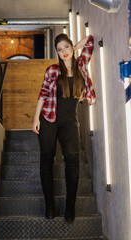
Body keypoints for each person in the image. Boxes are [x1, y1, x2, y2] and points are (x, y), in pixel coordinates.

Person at [32, 33, 96, 223]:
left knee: (73, 161)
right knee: (46, 160)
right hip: (48, 120)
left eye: (66, 47)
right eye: (59, 50)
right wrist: (35, 118)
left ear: (71, 46)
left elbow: (90, 40)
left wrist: (75, 47)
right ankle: (50, 205)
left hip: (69, 122)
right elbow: (42, 94)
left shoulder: (81, 65)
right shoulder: (52, 70)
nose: (64, 52)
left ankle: (70, 207)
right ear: (57, 53)